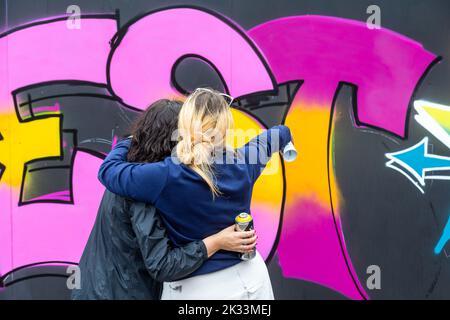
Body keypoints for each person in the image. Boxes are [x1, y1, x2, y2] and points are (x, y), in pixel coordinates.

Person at [98, 89, 292, 299]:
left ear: (184, 124)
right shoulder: (244, 162)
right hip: (251, 282)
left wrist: (131, 140)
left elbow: (108, 171)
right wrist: (286, 139)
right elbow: (277, 134)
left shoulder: (165, 176)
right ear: (225, 127)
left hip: (196, 289)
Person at [71, 99, 257, 300]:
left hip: (97, 289)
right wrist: (216, 242)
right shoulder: (146, 189)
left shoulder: (130, 174)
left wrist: (135, 138)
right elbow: (162, 265)